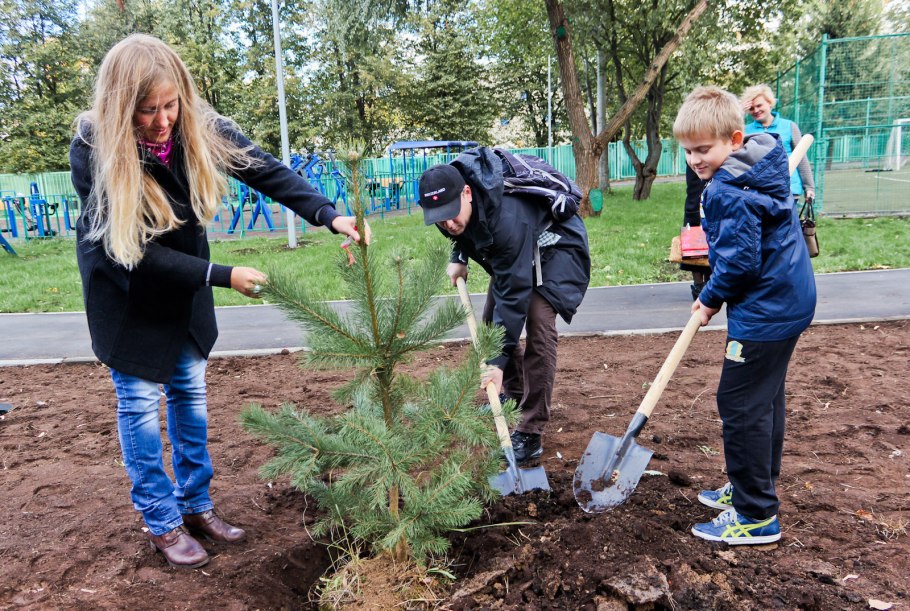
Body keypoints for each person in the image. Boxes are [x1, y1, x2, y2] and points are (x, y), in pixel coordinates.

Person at [70, 34, 369, 569]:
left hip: (184, 293)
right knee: (140, 407)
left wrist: (329, 215)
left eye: (169, 105)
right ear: (120, 107)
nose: (163, 122)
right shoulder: (94, 149)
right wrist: (221, 275)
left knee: (190, 395)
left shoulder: (199, 129)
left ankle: (196, 504)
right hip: (129, 296)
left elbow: (266, 169)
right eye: (146, 111)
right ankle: (162, 521)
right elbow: (134, 253)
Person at [673, 86, 816, 545]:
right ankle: (753, 484)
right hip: (788, 298)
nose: (695, 160)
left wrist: (710, 297)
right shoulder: (758, 163)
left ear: (734, 139)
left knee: (740, 405)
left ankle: (755, 514)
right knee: (765, 400)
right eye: (688, 151)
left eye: (704, 149)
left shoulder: (730, 189)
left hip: (767, 310)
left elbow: (738, 263)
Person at [417, 149, 591, 464]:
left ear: (467, 193)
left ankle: (531, 428)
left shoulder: (507, 215)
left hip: (558, 247)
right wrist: (458, 256)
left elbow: (514, 294)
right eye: (439, 218)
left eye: (452, 212)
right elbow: (465, 232)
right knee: (490, 323)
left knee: (538, 323)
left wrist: (494, 363)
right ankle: (511, 395)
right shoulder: (458, 212)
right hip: (518, 254)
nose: (449, 222)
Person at [741, 84, 815, 205]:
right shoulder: (745, 131)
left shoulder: (789, 126)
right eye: (751, 108)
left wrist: (809, 187)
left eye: (759, 105)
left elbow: (801, 158)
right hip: (759, 191)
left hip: (788, 189)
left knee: (787, 224)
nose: (756, 111)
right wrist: (739, 113)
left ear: (769, 103)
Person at [680, 164, 710, 300]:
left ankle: (704, 285)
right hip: (697, 202)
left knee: (706, 245)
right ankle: (700, 286)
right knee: (695, 247)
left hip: (701, 202)